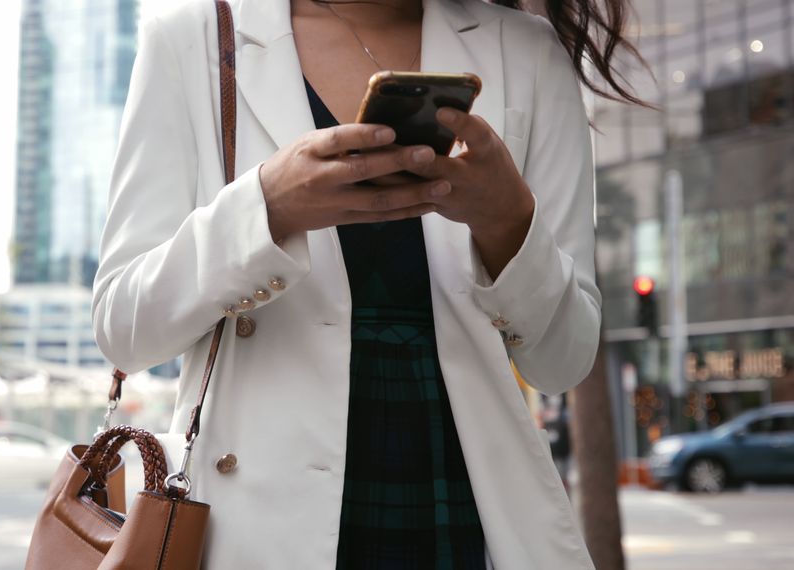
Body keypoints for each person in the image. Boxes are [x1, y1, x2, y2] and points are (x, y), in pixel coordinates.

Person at [93, 0, 643, 568]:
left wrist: (508, 222)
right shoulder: (194, 40)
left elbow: (563, 360)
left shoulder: (524, 50)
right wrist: (266, 208)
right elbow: (123, 326)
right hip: (255, 520)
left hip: (460, 503)